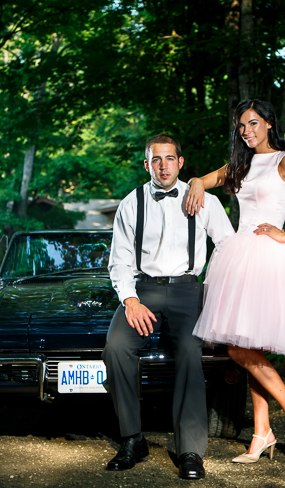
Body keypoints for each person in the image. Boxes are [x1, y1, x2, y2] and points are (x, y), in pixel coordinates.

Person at [185, 97, 285, 463]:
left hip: (271, 258)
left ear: (269, 122)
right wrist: (194, 182)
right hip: (239, 257)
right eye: (241, 125)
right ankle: (262, 433)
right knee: (247, 347)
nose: (246, 131)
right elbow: (203, 180)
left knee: (241, 349)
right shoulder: (240, 163)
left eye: (253, 123)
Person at [103, 134, 234, 480]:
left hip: (188, 291)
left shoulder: (205, 201)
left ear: (181, 162)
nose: (163, 166)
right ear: (147, 165)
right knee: (115, 347)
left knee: (191, 351)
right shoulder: (131, 203)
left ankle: (190, 450)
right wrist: (130, 300)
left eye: (169, 159)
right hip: (143, 290)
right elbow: (119, 260)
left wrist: (214, 291)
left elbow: (228, 247)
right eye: (156, 160)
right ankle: (133, 439)